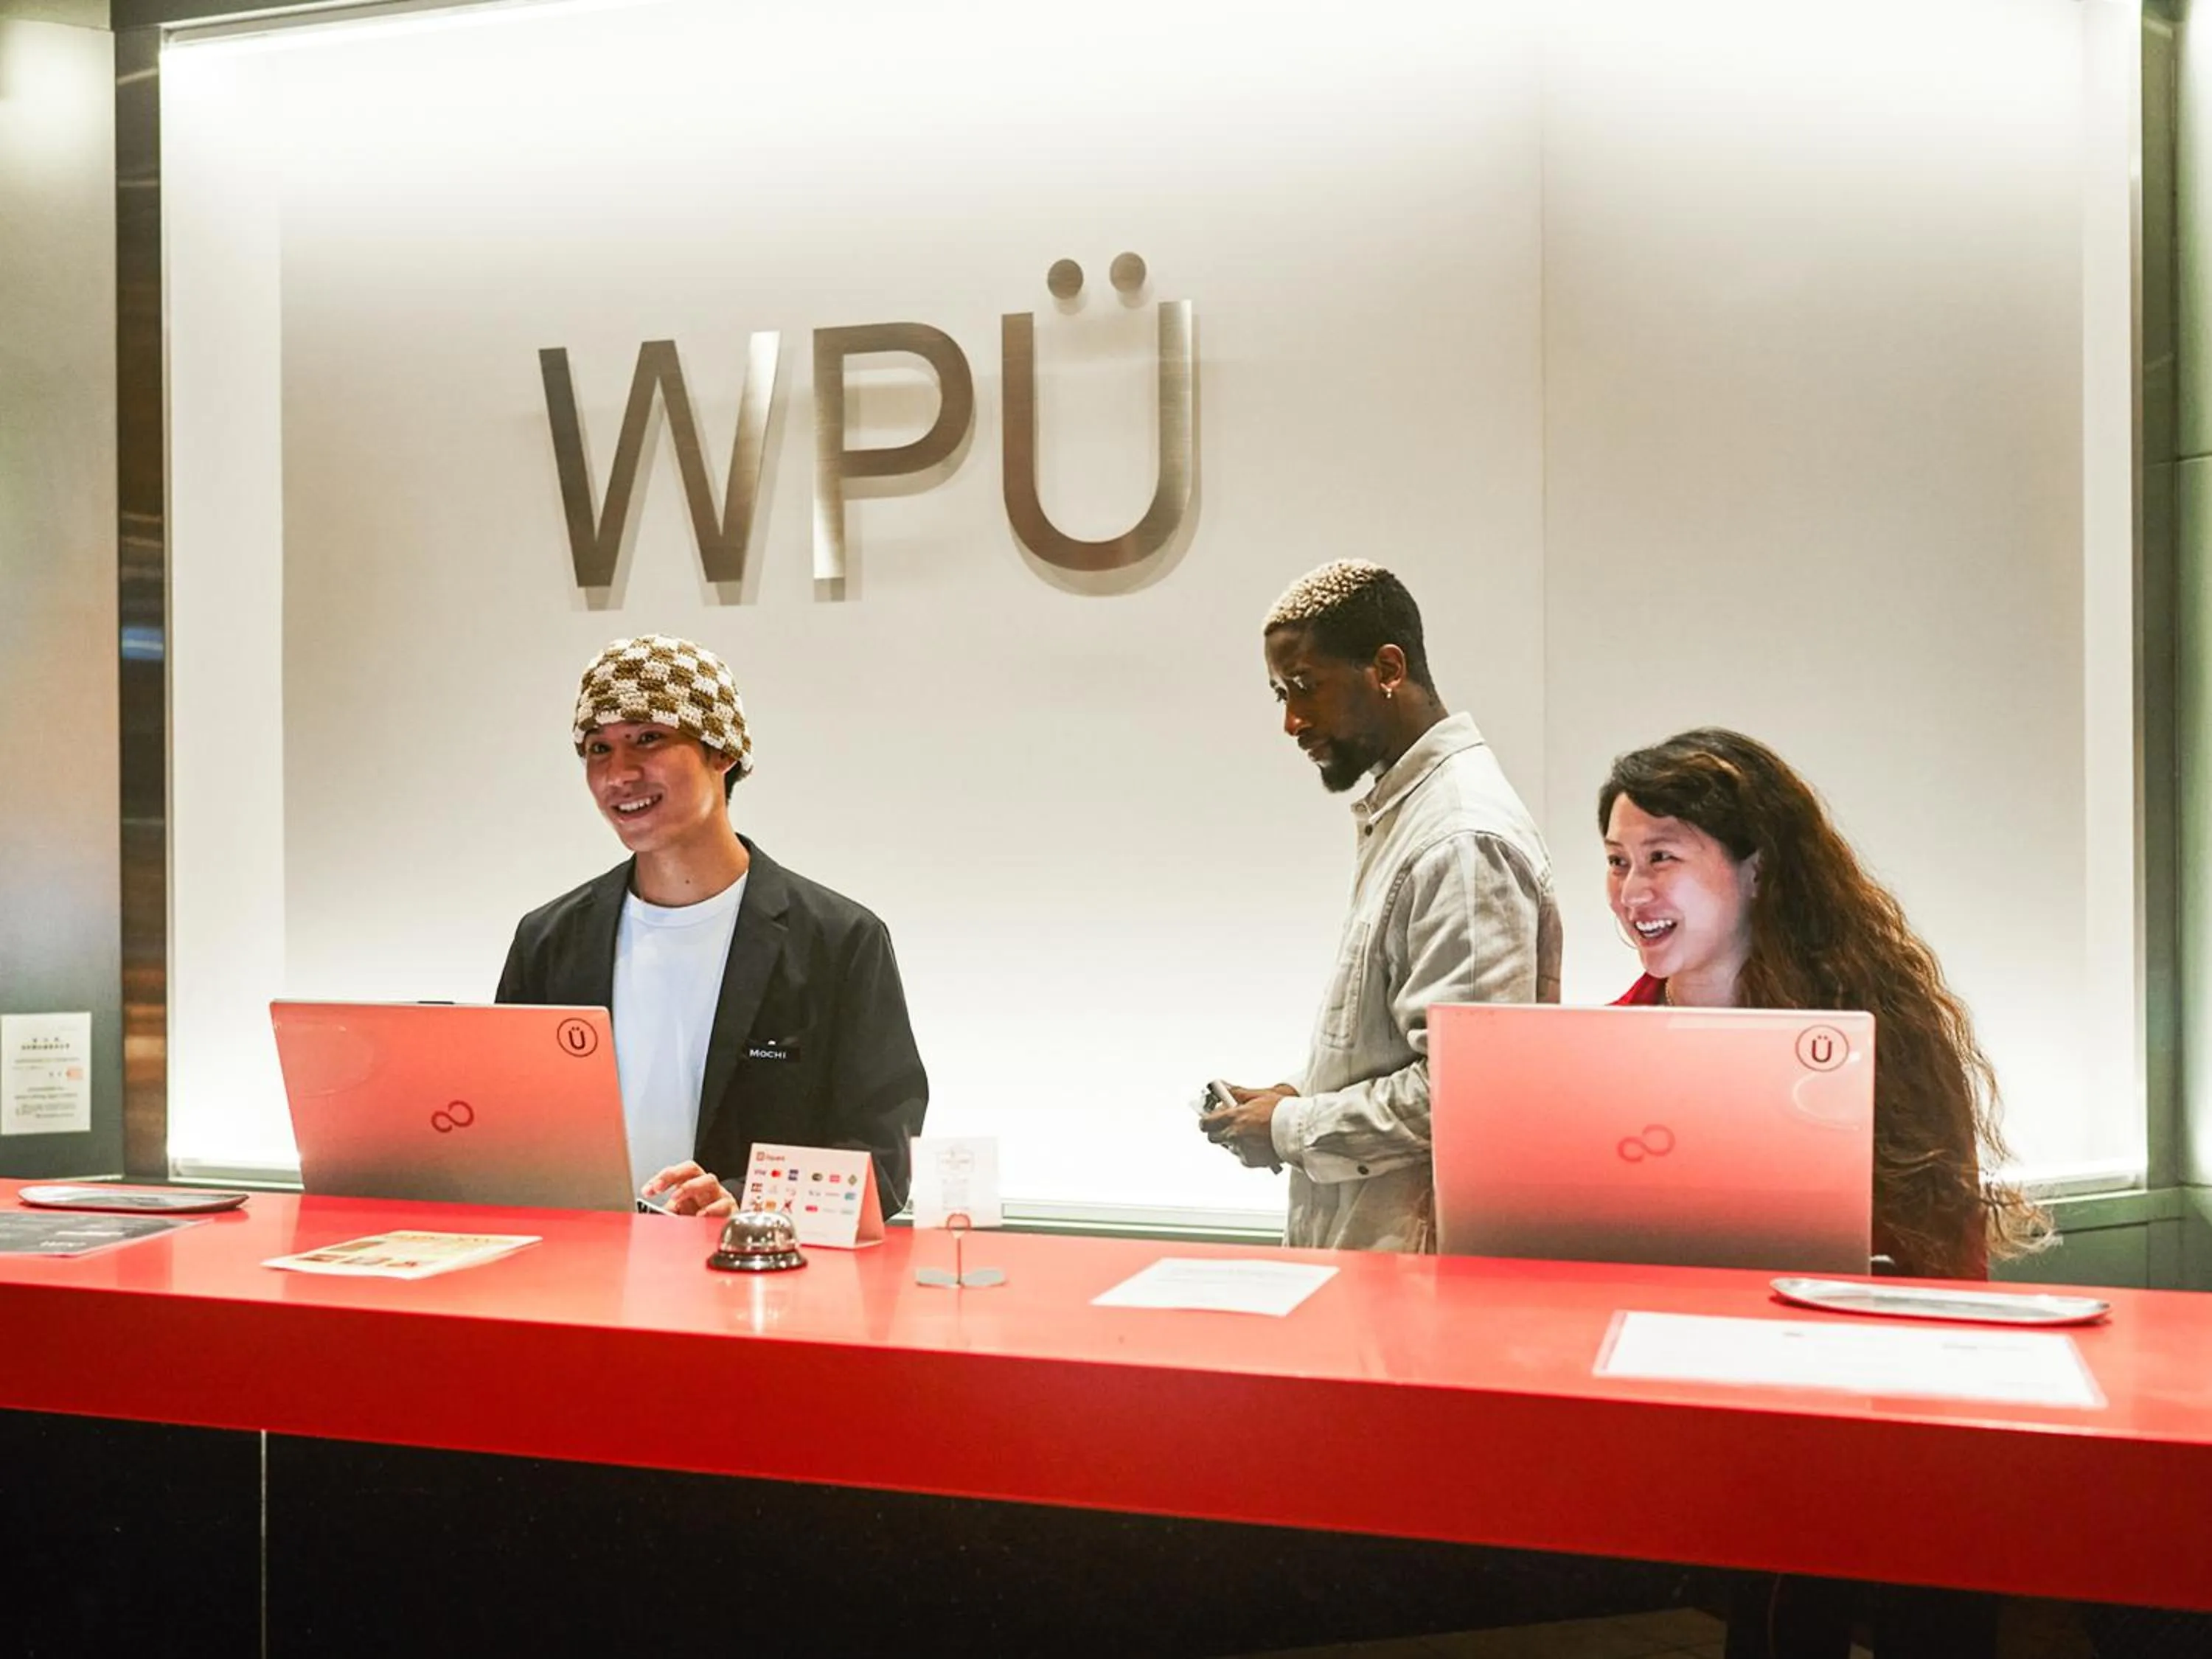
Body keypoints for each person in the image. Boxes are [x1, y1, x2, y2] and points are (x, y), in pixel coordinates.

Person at [1601, 727, 2043, 1659]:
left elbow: (1940, 1260)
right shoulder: (1611, 1041)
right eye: (1617, 861)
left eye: (1663, 857)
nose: (1634, 891)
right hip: (1713, 1399)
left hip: (1892, 1404)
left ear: (1757, 869)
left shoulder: (1877, 1027)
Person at [496, 634, 927, 1217]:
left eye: (648, 738)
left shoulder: (838, 941)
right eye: (598, 748)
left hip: (755, 1268)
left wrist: (749, 1201)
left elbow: (884, 1158)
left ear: (722, 752)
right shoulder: (549, 941)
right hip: (582, 1264)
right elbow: (503, 1132)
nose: (618, 774)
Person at [1200, 560, 1560, 1251]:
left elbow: (1467, 1093)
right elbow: (1391, 1049)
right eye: (1279, 694)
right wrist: (1295, 1095)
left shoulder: (1462, 838)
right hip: (1385, 1267)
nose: (1291, 721)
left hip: (1424, 1275)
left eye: (1305, 686)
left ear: (1388, 668)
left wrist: (1289, 1129)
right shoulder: (1415, 817)